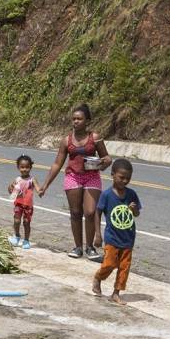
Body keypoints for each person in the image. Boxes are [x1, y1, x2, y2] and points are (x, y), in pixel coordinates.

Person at [39, 104, 111, 259]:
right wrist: (45, 185)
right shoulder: (66, 141)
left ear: (87, 121)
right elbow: (57, 163)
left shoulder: (95, 137)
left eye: (79, 119)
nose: (76, 121)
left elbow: (107, 157)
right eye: (73, 119)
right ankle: (78, 247)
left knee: (90, 212)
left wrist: (104, 163)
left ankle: (90, 248)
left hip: (92, 176)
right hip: (73, 177)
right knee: (76, 212)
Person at [92, 158, 141, 305]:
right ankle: (98, 277)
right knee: (109, 264)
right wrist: (98, 234)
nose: (125, 181)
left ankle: (116, 292)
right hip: (112, 237)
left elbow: (137, 214)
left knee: (124, 267)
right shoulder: (107, 195)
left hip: (128, 238)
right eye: (121, 177)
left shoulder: (132, 194)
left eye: (128, 178)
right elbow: (97, 212)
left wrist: (134, 209)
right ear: (112, 174)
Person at [7, 154, 40, 249]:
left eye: (27, 167)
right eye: (22, 167)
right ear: (18, 167)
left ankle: (26, 240)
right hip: (18, 204)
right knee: (16, 221)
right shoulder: (17, 179)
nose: (24, 169)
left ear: (30, 167)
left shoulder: (32, 180)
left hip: (28, 205)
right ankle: (17, 236)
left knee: (26, 222)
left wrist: (42, 190)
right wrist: (11, 187)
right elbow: (10, 191)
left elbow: (38, 190)